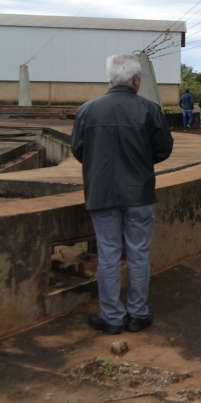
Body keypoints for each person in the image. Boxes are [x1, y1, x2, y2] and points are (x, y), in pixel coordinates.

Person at [71, 54, 174, 334]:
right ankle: (138, 314)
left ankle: (112, 317)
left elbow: (79, 150)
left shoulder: (88, 110)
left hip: (101, 193)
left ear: (110, 79)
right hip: (138, 193)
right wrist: (140, 160)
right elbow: (163, 149)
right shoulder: (150, 109)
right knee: (138, 254)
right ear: (136, 80)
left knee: (108, 255)